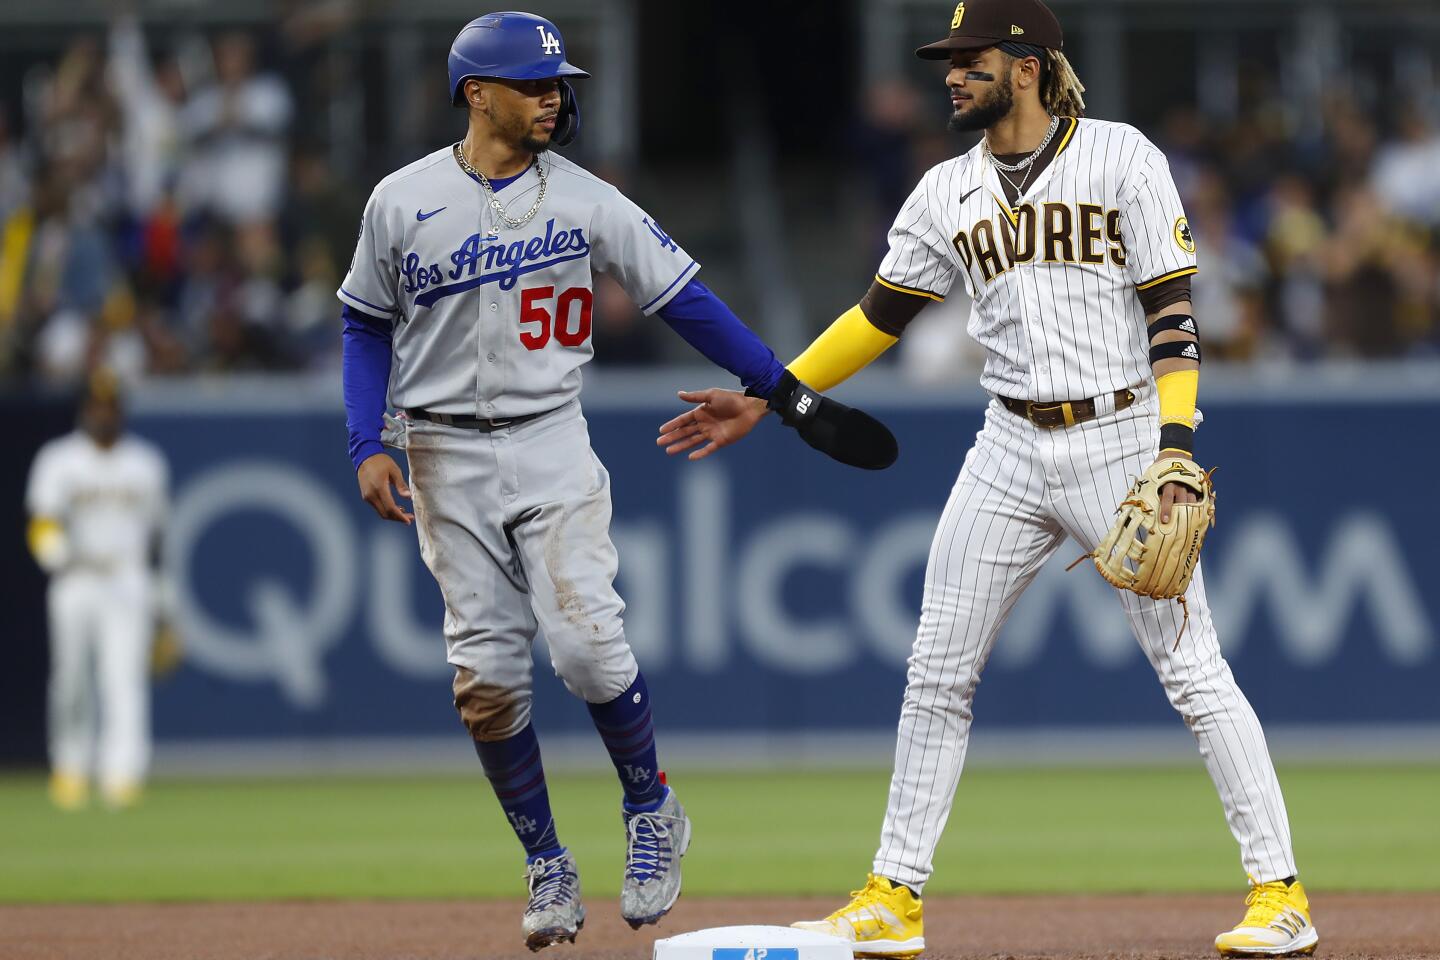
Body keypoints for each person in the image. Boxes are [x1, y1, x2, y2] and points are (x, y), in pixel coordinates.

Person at [656, 0, 1317, 956]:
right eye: (949, 60)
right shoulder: (943, 191)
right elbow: (879, 318)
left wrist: (1175, 447)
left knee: (1191, 668)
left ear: (1028, 66)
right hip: (1007, 442)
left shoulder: (1122, 155)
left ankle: (1280, 893)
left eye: (971, 58)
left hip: (1123, 431)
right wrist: (771, 393)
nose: (952, 73)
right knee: (935, 670)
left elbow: (1174, 314)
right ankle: (894, 897)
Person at [338, 11, 882, 951]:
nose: (555, 97)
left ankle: (650, 808)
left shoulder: (588, 200)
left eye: (560, 83)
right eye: (534, 84)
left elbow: (688, 301)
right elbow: (362, 324)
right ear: (477, 94)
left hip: (548, 434)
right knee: (486, 679)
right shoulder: (401, 200)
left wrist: (781, 393)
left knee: (587, 649)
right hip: (438, 450)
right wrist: (364, 440)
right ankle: (547, 861)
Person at [25, 370, 170, 810]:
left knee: (123, 679)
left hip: (128, 579)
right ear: (85, 410)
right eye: (97, 406)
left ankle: (122, 773)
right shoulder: (59, 459)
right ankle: (70, 766)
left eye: (111, 406)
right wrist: (57, 555)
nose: (104, 413)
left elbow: (158, 541)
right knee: (71, 678)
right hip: (76, 578)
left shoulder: (145, 461)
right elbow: (42, 522)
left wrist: (165, 603)